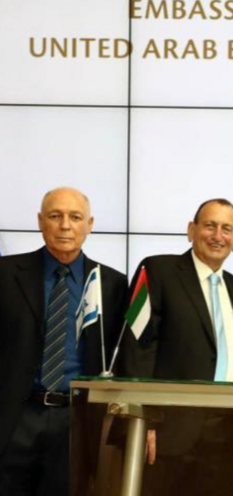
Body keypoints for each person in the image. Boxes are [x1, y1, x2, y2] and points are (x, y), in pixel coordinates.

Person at [120, 198, 233, 496]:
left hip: (224, 434)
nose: (218, 235)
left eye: (227, 229)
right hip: (167, 432)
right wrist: (144, 420)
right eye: (209, 225)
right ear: (191, 230)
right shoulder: (156, 270)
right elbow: (136, 347)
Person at [0, 187, 127, 495]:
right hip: (15, 416)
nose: (65, 225)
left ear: (90, 224)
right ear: (41, 221)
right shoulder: (5, 273)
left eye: (75, 217)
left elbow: (120, 355)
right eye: (55, 216)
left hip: (76, 420)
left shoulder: (111, 283)